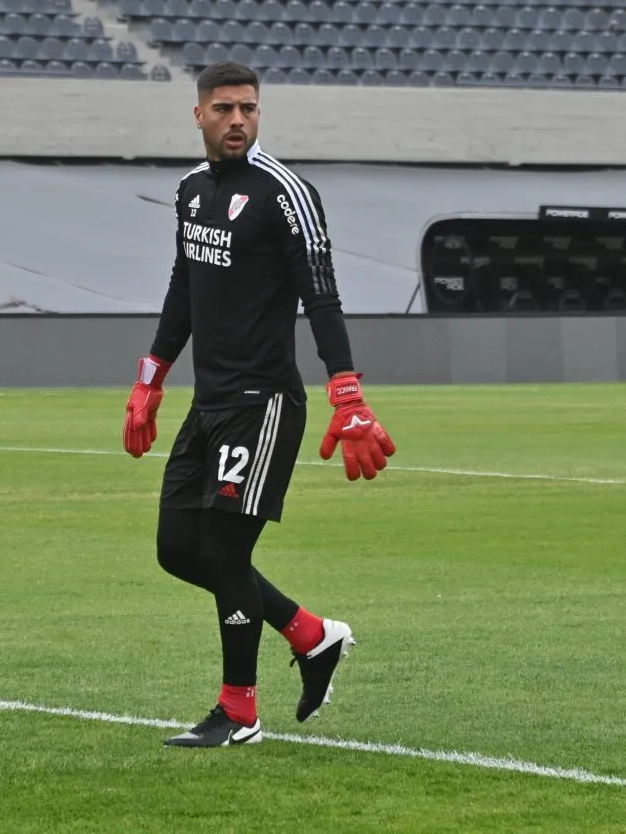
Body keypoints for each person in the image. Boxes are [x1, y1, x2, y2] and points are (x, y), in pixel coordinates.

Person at [123, 61, 395, 749]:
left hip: (264, 402)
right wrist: (150, 379)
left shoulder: (286, 194)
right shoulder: (190, 192)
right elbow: (183, 288)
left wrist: (347, 392)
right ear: (198, 116)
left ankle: (238, 710)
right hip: (207, 402)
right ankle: (312, 635)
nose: (237, 119)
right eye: (223, 108)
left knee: (221, 547)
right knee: (177, 549)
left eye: (248, 107)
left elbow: (322, 295)